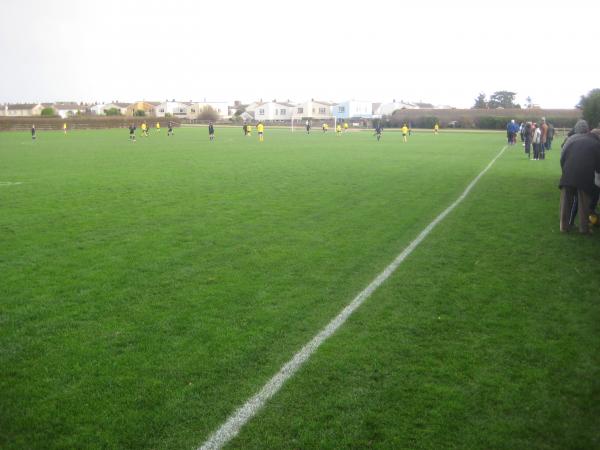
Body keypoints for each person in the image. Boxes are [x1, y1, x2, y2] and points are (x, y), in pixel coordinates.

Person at [559, 120, 600, 233]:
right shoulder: (596, 144)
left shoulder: (573, 140)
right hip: (584, 177)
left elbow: (563, 158)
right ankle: (584, 228)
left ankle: (564, 226)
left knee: (566, 202)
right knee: (583, 203)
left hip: (567, 174)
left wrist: (565, 171)